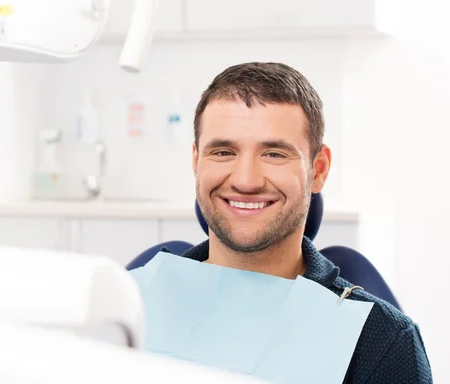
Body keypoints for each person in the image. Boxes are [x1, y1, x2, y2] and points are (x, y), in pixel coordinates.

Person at [178, 62, 432, 383]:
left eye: (274, 154)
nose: (245, 181)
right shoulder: (132, 306)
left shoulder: (383, 344)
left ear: (320, 169)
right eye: (224, 151)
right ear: (196, 161)